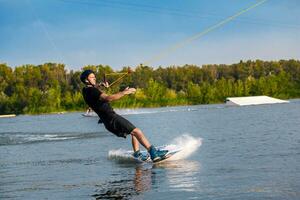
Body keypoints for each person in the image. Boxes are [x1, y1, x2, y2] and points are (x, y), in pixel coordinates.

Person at [80, 69, 168, 162]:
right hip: (112, 118)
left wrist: (101, 84)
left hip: (107, 122)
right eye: (92, 77)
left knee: (133, 132)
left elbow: (94, 89)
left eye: (95, 77)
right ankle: (153, 153)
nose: (95, 79)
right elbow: (108, 98)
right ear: (86, 80)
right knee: (137, 132)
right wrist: (124, 92)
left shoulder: (86, 90)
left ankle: (137, 154)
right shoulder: (92, 91)